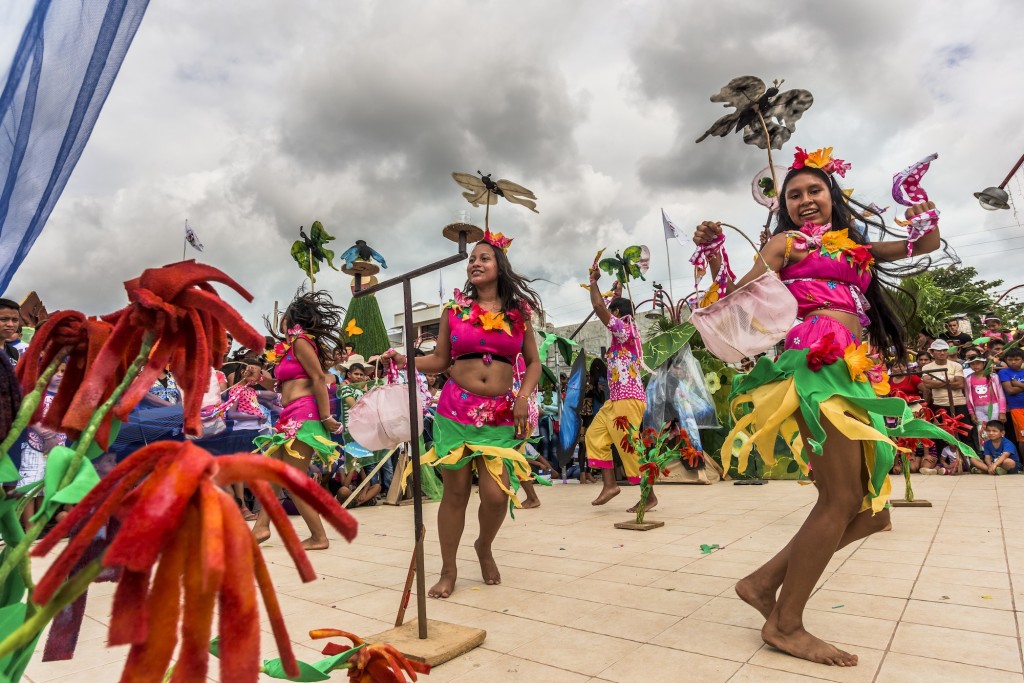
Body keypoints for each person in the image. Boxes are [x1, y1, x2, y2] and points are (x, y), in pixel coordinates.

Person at [694, 147, 963, 667]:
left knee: (873, 512)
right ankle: (787, 624)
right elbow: (739, 297)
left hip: (856, 371)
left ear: (832, 195)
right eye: (793, 194)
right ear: (784, 207)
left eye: (814, 190)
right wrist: (715, 254)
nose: (804, 200)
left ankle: (763, 582)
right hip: (815, 365)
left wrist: (916, 199)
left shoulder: (856, 250)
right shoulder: (786, 244)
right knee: (840, 500)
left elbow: (924, 241)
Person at [387, 232, 543, 599]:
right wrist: (404, 358)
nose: (475, 263)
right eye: (472, 258)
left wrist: (523, 396)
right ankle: (448, 569)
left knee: (495, 495)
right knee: (454, 493)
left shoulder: (518, 314)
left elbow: (533, 362)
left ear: (499, 266)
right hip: (455, 411)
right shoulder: (453, 312)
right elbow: (440, 361)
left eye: (484, 258)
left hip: (501, 415)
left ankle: (484, 546)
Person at [252, 290, 343, 550]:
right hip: (289, 414)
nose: (280, 319)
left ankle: (318, 537)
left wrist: (326, 417)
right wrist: (258, 377)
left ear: (293, 318)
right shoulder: (290, 348)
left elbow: (317, 379)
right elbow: (282, 386)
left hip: (306, 414)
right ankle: (261, 527)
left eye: (284, 315)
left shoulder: (302, 341)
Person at [585, 267, 650, 511]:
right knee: (594, 436)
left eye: (613, 311)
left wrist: (593, 282)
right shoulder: (624, 330)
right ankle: (610, 485)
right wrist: (618, 291)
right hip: (616, 400)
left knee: (629, 447)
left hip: (628, 399)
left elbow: (600, 309)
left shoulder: (624, 328)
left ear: (617, 314)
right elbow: (609, 307)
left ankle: (649, 495)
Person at [965, 356, 1006, 447]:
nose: (975, 366)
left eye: (978, 363)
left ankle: (1000, 451)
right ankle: (987, 453)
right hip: (978, 409)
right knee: (983, 431)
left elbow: (1001, 395)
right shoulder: (968, 379)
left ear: (984, 364)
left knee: (996, 429)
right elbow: (968, 398)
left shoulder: (993, 376)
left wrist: (1002, 411)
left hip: (993, 406)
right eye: (972, 364)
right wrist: (971, 413)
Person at [998, 348, 1024, 443]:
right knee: (1023, 438)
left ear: (1023, 360)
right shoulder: (1004, 372)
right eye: (1010, 359)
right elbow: (1010, 390)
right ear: (1006, 360)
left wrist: (1019, 384)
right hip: (1017, 409)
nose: (1013, 362)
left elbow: (1014, 388)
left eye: (1017, 359)